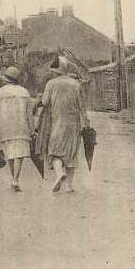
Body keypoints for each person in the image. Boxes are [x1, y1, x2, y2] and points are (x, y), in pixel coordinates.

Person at [39, 55, 90, 193]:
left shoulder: (51, 84)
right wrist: (86, 122)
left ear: (56, 70)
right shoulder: (76, 84)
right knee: (72, 153)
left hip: (57, 122)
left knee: (55, 151)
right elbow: (82, 106)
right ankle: (69, 186)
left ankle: (59, 173)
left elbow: (44, 102)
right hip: (74, 123)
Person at [0, 66, 32, 192]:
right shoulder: (25, 92)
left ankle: (14, 179)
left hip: (6, 126)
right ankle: (15, 179)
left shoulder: (0, 92)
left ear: (6, 79)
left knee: (10, 153)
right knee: (20, 154)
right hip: (22, 125)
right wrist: (33, 128)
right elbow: (29, 114)